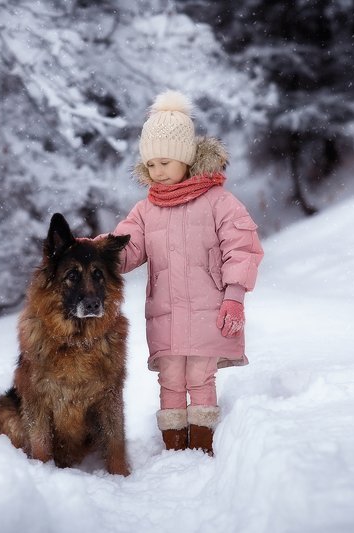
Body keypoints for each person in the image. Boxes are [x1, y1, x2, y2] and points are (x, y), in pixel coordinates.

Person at [110, 90, 263, 455]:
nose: (157, 171)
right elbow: (126, 248)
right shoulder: (146, 210)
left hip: (209, 312)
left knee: (200, 377)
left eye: (165, 162)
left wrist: (234, 298)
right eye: (151, 165)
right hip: (165, 313)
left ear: (186, 158)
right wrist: (96, 254)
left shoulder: (218, 202)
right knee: (171, 380)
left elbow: (241, 247)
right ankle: (176, 447)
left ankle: (204, 443)